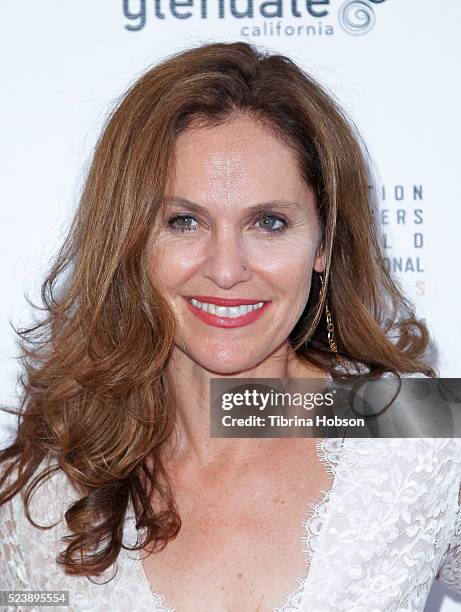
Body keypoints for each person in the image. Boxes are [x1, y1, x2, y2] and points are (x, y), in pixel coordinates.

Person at [0, 40, 460, 612]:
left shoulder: (421, 428)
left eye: (269, 222)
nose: (224, 270)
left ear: (323, 243)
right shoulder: (44, 495)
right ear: (130, 238)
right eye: (184, 221)